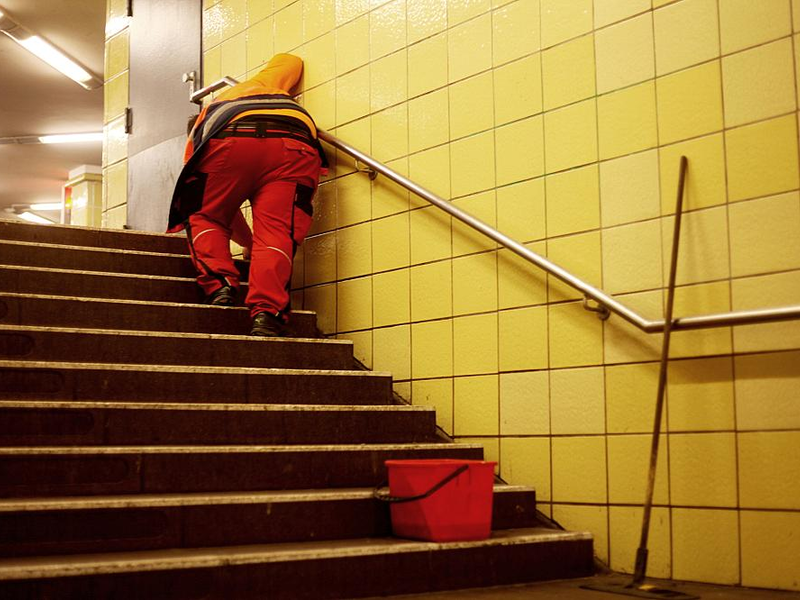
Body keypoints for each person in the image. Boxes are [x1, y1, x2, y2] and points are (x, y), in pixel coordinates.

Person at [168, 53, 328, 337]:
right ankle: (267, 314)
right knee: (277, 232)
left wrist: (247, 242)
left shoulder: (201, 131)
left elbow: (217, 211)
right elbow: (291, 61)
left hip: (228, 138)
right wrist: (254, 243)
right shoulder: (260, 84)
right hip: (296, 140)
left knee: (203, 214)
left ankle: (219, 285)